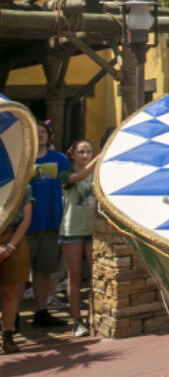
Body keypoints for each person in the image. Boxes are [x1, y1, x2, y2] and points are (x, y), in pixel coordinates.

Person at [28, 121, 69, 327]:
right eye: (36, 132)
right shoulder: (22, 159)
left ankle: (41, 311)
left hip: (51, 223)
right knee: (18, 276)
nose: (40, 135)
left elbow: (71, 182)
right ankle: (13, 317)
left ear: (48, 135)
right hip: (25, 227)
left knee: (44, 271)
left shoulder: (60, 159)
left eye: (43, 131)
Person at [60, 139, 99, 338]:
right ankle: (77, 321)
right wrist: (101, 158)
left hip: (93, 230)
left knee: (97, 275)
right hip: (72, 230)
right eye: (81, 152)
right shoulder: (66, 174)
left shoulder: (98, 174)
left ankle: (96, 316)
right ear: (73, 154)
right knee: (74, 276)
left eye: (89, 152)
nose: (85, 156)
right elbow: (80, 176)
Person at [1, 185, 32, 353]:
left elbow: (26, 219)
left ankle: (7, 335)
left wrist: (10, 246)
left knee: (10, 290)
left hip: (13, 238)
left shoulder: (23, 185)